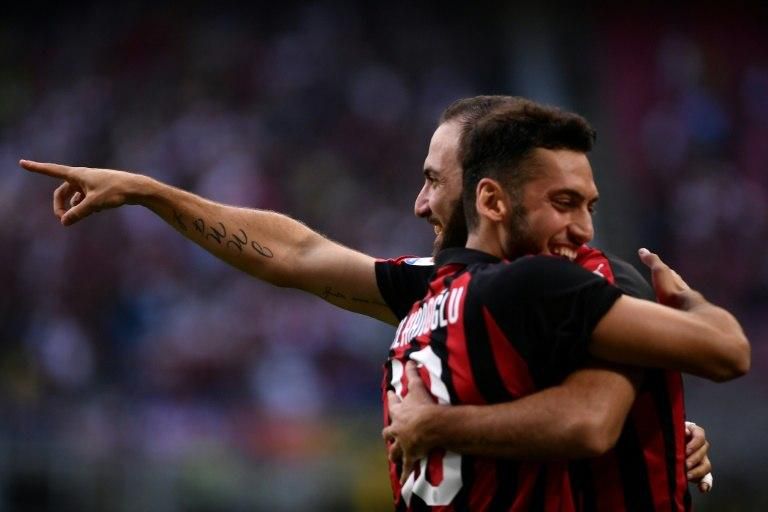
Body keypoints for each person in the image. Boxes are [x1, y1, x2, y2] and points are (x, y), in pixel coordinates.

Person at [19, 97, 712, 507]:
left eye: (432, 181)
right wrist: (151, 192)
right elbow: (296, 254)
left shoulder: (594, 280)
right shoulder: (445, 288)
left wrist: (441, 429)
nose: (418, 203)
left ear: (485, 193)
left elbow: (596, 419)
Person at [379, 103, 748, 509]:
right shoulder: (539, 282)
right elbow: (728, 351)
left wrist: (661, 429)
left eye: (588, 207)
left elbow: (309, 255)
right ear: (492, 201)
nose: (585, 230)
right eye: (563, 202)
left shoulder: (418, 310)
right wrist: (686, 300)